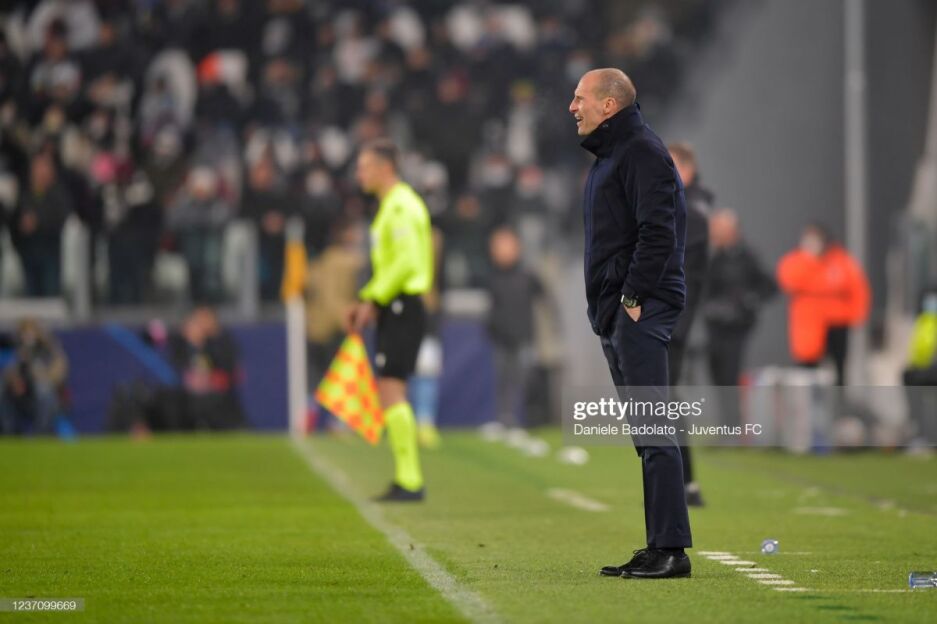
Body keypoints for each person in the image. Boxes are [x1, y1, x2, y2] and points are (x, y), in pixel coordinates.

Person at [571, 68, 691, 579]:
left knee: (654, 428)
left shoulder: (640, 151)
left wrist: (634, 295)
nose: (572, 107)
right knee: (646, 433)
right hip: (619, 309)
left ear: (608, 105)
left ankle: (672, 549)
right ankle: (658, 542)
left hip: (640, 307)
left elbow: (659, 231)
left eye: (580, 98)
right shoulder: (615, 154)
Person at [346, 138, 433, 502]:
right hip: (394, 304)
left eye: (365, 167)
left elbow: (406, 263)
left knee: (392, 389)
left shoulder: (401, 206)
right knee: (391, 389)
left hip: (401, 304)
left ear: (385, 168)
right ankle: (406, 478)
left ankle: (410, 481)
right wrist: (372, 298)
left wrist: (372, 298)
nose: (359, 174)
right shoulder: (392, 205)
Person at [667, 142, 711, 507]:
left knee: (662, 398)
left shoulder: (691, 211)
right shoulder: (689, 205)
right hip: (672, 318)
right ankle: (681, 483)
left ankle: (684, 483)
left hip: (672, 321)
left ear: (687, 169)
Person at [702, 209, 776, 425]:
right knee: (717, 373)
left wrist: (750, 300)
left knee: (730, 375)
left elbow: (769, 286)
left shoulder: (747, 257)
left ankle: (733, 425)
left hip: (737, 327)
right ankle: (726, 425)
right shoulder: (714, 258)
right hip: (715, 326)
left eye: (719, 230)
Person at [777, 224, 870, 385]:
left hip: (837, 321)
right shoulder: (796, 261)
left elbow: (857, 288)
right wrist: (809, 261)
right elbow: (789, 280)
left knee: (838, 366)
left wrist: (857, 314)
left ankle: (838, 397)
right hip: (809, 323)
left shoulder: (840, 260)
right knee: (808, 366)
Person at [485, 226, 545, 431]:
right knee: (503, 381)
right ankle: (505, 419)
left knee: (526, 379)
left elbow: (544, 303)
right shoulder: (493, 277)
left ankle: (528, 420)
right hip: (501, 339)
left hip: (524, 338)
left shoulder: (527, 276)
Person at [0, 318, 69, 435]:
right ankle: (8, 430)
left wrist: (38, 372)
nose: (28, 336)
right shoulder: (17, 351)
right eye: (25, 333)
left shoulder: (49, 352)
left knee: (43, 389)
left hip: (46, 397)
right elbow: (8, 373)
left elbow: (57, 376)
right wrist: (14, 378)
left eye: (31, 332)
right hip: (21, 396)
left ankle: (41, 432)